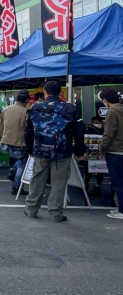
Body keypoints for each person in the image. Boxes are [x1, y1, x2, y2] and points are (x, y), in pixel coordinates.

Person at [24, 80, 85, 222]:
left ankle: (31, 209)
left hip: (40, 149)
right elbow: (79, 132)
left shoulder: (35, 107)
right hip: (62, 151)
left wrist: (30, 149)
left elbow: (27, 131)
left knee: (37, 179)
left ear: (45, 92)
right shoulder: (70, 108)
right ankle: (56, 213)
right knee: (59, 181)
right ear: (60, 93)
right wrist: (79, 151)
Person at [98, 88, 123, 220]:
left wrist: (102, 148)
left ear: (105, 100)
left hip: (115, 151)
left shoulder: (112, 112)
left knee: (118, 182)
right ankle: (120, 208)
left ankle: (122, 210)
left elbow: (109, 133)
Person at [0, 90, 29, 195]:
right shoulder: (25, 112)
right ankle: (16, 186)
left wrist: (2, 135)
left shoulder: (5, 109)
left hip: (6, 139)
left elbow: (1, 124)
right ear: (26, 100)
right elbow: (26, 129)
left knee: (18, 160)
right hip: (19, 141)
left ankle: (13, 171)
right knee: (22, 162)